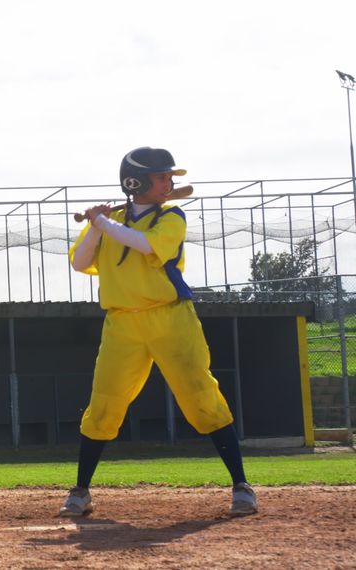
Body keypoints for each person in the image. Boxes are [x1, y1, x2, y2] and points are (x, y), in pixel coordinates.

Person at [60, 146, 257, 518]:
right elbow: (80, 262)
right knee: (104, 404)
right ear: (137, 182)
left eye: (169, 177)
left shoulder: (171, 217)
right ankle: (81, 491)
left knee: (201, 396)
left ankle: (241, 487)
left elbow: (146, 244)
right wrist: (95, 226)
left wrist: (104, 224)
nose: (169, 183)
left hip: (170, 317)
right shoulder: (109, 222)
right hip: (122, 323)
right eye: (162, 176)